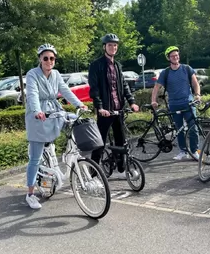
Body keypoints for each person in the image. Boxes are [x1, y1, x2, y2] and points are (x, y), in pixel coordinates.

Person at [24, 44, 87, 209]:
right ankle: (30, 194)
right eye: (45, 58)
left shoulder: (56, 74)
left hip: (54, 111)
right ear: (40, 59)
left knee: (75, 121)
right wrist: (37, 110)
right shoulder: (32, 74)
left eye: (52, 58)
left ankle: (64, 162)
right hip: (38, 117)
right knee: (35, 158)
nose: (49, 61)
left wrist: (80, 104)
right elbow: (32, 94)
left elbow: (65, 91)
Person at [88, 33, 139, 177]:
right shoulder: (96, 65)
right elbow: (94, 89)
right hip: (105, 111)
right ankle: (93, 173)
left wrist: (132, 102)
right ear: (104, 47)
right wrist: (100, 107)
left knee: (121, 141)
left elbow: (123, 85)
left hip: (119, 109)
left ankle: (122, 168)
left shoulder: (117, 65)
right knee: (100, 142)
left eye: (115, 45)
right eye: (110, 45)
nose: (113, 47)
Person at [151, 46, 202, 160]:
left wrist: (197, 95)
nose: (175, 57)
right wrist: (153, 100)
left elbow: (195, 84)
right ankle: (183, 151)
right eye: (172, 56)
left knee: (193, 128)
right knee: (179, 129)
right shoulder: (166, 72)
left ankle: (194, 151)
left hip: (188, 103)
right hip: (174, 104)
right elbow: (156, 87)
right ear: (169, 58)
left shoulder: (186, 68)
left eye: (177, 55)